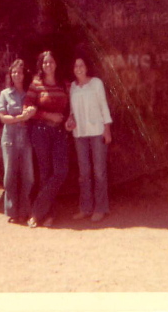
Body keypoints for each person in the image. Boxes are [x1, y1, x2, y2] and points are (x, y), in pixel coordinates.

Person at [24, 51, 70, 228]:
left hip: (59, 132)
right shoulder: (36, 83)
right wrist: (48, 115)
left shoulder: (64, 84)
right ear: (41, 65)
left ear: (56, 64)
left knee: (61, 171)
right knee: (45, 172)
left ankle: (36, 210)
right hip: (40, 131)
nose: (48, 65)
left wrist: (68, 119)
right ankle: (47, 215)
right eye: (44, 63)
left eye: (51, 62)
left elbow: (70, 109)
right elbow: (27, 107)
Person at [65, 55, 112, 222]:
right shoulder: (73, 87)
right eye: (76, 66)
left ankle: (100, 208)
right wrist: (70, 120)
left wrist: (107, 130)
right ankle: (85, 208)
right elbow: (72, 110)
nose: (78, 68)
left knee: (99, 172)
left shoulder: (96, 83)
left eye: (81, 65)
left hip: (97, 131)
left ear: (87, 67)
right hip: (80, 134)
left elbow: (103, 106)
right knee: (84, 173)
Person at [0, 59, 36, 224]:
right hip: (10, 139)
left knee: (28, 175)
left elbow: (35, 109)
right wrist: (19, 118)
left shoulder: (30, 93)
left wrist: (32, 111)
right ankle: (12, 211)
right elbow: (3, 117)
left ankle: (25, 210)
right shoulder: (5, 94)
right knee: (10, 175)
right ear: (10, 75)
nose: (16, 75)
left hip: (26, 138)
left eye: (19, 72)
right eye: (13, 72)